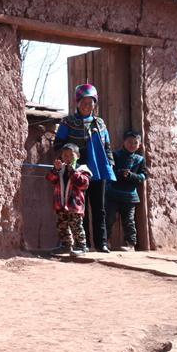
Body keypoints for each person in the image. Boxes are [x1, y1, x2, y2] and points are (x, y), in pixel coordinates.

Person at [53, 83, 116, 252]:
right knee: (79, 208)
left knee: (99, 207)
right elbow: (58, 144)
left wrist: (109, 164)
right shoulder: (68, 122)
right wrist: (70, 157)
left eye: (91, 103)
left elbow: (107, 145)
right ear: (77, 103)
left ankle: (101, 243)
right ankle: (84, 244)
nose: (88, 106)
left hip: (97, 169)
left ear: (95, 104)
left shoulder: (100, 123)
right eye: (84, 102)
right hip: (77, 172)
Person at [46, 143, 92, 256]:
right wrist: (55, 170)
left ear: (78, 156)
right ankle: (66, 245)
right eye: (65, 155)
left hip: (74, 205)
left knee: (76, 225)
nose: (68, 158)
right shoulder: (60, 169)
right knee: (62, 225)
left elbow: (83, 184)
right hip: (61, 204)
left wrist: (73, 171)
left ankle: (81, 246)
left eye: (71, 155)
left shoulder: (82, 169)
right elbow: (50, 179)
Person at [106, 130, 148, 251]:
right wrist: (120, 173)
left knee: (129, 220)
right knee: (109, 218)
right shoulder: (115, 155)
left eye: (135, 143)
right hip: (113, 193)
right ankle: (106, 242)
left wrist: (131, 176)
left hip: (130, 196)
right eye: (129, 142)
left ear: (139, 145)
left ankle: (130, 244)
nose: (132, 145)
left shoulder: (140, 160)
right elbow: (109, 172)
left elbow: (143, 176)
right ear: (123, 142)